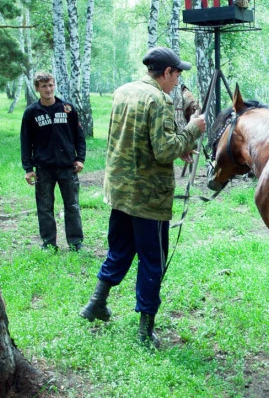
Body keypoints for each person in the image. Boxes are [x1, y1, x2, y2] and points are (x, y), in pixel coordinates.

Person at [79, 47, 206, 348]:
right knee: (152, 261)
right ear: (166, 73)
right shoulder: (159, 99)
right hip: (148, 196)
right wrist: (191, 132)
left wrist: (179, 143)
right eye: (177, 74)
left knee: (120, 249)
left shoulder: (124, 91)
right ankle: (145, 331)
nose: (178, 81)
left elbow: (141, 138)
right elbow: (162, 150)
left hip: (121, 190)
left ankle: (97, 302)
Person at [20, 71, 86, 251]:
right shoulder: (32, 113)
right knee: (44, 207)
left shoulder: (68, 109)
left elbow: (79, 137)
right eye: (43, 86)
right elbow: (25, 141)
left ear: (54, 85)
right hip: (43, 168)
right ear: (37, 88)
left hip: (67, 167)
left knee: (72, 205)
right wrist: (28, 168)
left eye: (50, 85)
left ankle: (76, 242)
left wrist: (80, 158)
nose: (48, 89)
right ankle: (49, 243)